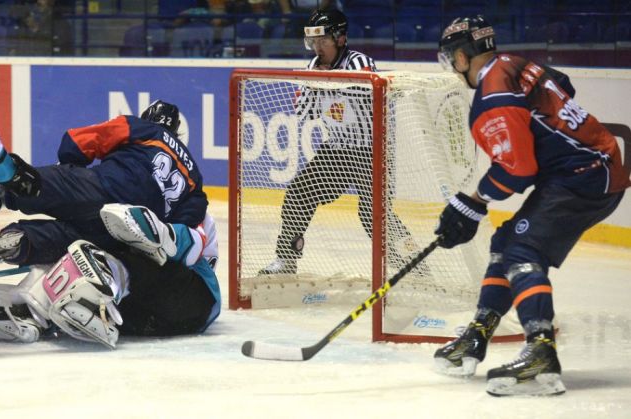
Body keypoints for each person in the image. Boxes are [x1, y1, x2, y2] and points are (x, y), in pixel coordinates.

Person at [432, 15, 630, 396]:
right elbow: (562, 85)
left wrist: (469, 205)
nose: (453, 68)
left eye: (450, 59)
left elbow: (517, 171)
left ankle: (540, 349)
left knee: (524, 251)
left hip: (585, 175)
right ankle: (477, 334)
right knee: (506, 242)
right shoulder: (515, 63)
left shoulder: (492, 96)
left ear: (460, 56)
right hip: (590, 166)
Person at [259, 8, 424, 275]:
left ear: (340, 39)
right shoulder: (313, 66)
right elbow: (304, 113)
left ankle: (413, 267)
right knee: (298, 194)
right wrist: (313, 84)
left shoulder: (360, 63)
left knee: (374, 216)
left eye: (323, 41)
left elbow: (371, 95)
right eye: (313, 42)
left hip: (373, 151)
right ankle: (286, 260)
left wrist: (329, 82)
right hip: (337, 149)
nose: (317, 48)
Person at [0, 99, 208, 267]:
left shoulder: (144, 128)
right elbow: (178, 232)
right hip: (125, 231)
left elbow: (77, 141)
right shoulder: (195, 183)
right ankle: (23, 242)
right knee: (73, 241)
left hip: (99, 187)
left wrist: (66, 173)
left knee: (18, 185)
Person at [0, 203, 220, 348]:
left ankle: (98, 280)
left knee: (100, 258)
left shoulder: (190, 207)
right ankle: (30, 311)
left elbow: (198, 258)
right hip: (137, 319)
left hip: (193, 302)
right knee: (72, 258)